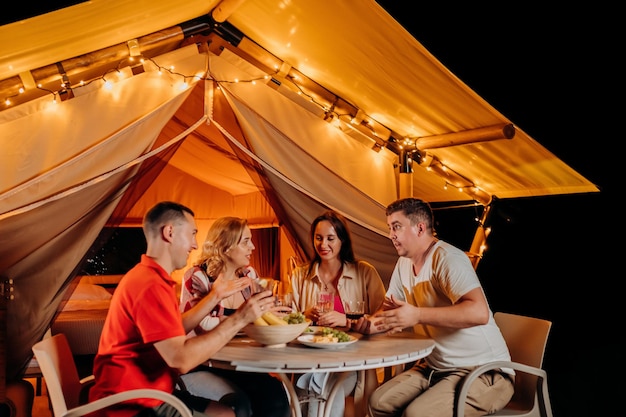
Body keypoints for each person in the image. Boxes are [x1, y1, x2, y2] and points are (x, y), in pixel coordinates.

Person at [89, 201, 278, 417]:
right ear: (169, 232)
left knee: (235, 409)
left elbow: (174, 328)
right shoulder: (148, 285)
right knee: (240, 409)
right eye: (192, 234)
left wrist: (215, 295)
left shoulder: (150, 278)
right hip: (133, 404)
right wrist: (240, 318)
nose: (196, 245)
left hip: (150, 392)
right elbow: (181, 360)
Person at [352, 198, 514, 417]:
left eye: (397, 227)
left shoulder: (447, 259)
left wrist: (417, 315)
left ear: (420, 228)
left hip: (485, 372)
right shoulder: (404, 264)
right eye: (390, 228)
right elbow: (388, 310)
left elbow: (479, 312)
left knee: (417, 414)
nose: (391, 234)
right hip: (435, 368)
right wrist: (368, 325)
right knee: (378, 402)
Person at [178, 216, 290, 417]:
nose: (253, 247)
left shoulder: (249, 275)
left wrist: (271, 313)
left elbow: (262, 315)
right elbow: (204, 325)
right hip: (203, 363)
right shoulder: (198, 277)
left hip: (240, 362)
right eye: (246, 241)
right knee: (240, 405)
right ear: (226, 246)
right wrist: (245, 318)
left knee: (275, 397)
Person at [290, 210, 386, 417]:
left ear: (342, 240)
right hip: (308, 361)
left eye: (330, 238)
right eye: (318, 238)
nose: (323, 244)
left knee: (322, 393)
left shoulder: (364, 272)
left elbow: (383, 318)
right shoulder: (300, 275)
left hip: (350, 363)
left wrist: (346, 320)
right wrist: (305, 315)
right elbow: (287, 320)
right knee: (307, 394)